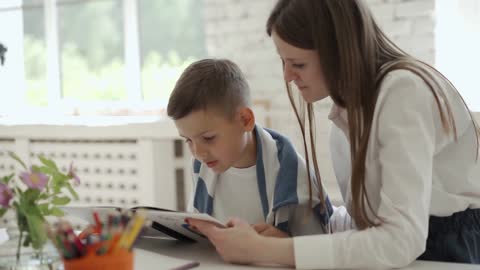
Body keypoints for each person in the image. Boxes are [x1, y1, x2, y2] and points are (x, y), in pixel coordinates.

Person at [187, 0, 480, 269]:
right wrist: (289, 241)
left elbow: (400, 240)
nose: (288, 76)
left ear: (339, 50)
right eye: (283, 62)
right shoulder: (345, 117)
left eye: (298, 64)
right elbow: (364, 229)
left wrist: (265, 251)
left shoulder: (403, 91)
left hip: (447, 254)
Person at [167, 58, 333, 237]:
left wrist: (284, 243)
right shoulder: (203, 166)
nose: (198, 153)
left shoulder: (292, 175)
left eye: (208, 138)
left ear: (245, 120)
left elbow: (318, 246)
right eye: (188, 141)